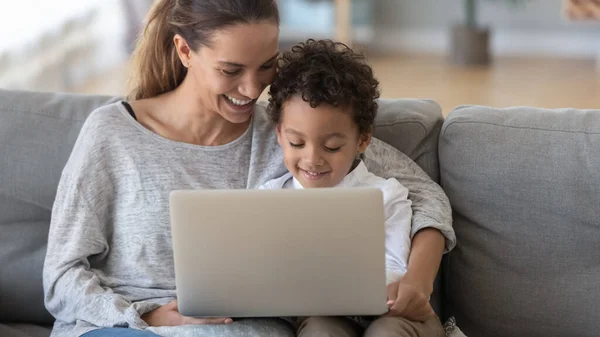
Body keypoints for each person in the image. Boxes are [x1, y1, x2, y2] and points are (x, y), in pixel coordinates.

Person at [42, 1, 455, 336]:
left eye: (265, 67)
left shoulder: (290, 135)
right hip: (126, 327)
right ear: (185, 51)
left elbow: (421, 192)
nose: (252, 89)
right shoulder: (112, 133)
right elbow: (62, 277)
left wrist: (417, 281)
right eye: (231, 70)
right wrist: (143, 319)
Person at [259, 39, 447, 337]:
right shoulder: (270, 197)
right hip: (328, 316)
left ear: (362, 140)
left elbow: (397, 266)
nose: (312, 159)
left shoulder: (386, 194)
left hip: (397, 314)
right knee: (320, 330)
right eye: (297, 143)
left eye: (332, 147)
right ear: (280, 134)